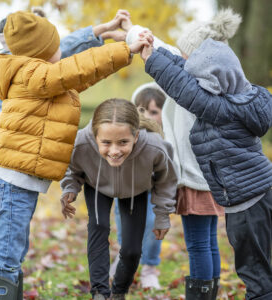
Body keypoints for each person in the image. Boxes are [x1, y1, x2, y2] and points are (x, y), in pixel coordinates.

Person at [0, 9, 149, 299]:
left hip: (16, 183)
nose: (61, 49)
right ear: (40, 52)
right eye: (54, 45)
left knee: (14, 252)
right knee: (7, 257)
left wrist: (115, 46)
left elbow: (83, 73)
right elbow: (71, 69)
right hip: (11, 184)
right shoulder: (33, 76)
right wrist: (125, 49)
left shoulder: (40, 78)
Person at [141, 7, 272, 300]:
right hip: (253, 195)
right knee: (255, 263)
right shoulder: (242, 94)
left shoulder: (220, 109)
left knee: (254, 269)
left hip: (246, 202)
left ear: (211, 78)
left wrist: (151, 59)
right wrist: (154, 51)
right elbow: (185, 76)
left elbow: (186, 90)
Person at [121, 12, 228, 298]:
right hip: (214, 177)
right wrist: (133, 29)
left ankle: (201, 294)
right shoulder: (220, 81)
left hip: (194, 178)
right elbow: (165, 48)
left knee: (198, 244)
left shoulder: (188, 86)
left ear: (196, 56)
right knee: (209, 241)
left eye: (184, 53)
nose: (178, 56)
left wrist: (134, 32)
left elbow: (161, 50)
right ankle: (211, 292)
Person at [60, 98, 178, 300]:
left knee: (132, 250)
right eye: (106, 143)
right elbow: (73, 169)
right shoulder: (80, 143)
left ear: (136, 135)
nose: (114, 151)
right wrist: (70, 188)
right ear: (95, 136)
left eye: (123, 142)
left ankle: (118, 292)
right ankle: (99, 292)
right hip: (97, 185)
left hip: (136, 190)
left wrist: (162, 215)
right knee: (98, 228)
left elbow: (166, 180)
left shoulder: (154, 147)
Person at [111, 85, 166, 289]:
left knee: (152, 225)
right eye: (141, 110)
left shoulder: (165, 137)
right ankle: (123, 258)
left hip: (153, 191)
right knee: (124, 226)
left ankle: (149, 268)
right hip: (126, 190)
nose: (148, 116)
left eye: (154, 112)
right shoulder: (128, 134)